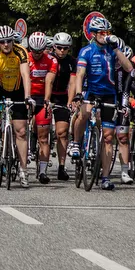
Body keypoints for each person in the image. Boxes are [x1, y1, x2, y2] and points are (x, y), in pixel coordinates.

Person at [71, 16, 132, 190]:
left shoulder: (112, 50)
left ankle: (105, 177)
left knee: (107, 137)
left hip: (109, 95)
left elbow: (129, 68)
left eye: (107, 32)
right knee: (84, 112)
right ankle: (76, 142)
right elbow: (80, 74)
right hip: (91, 91)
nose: (105, 35)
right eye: (102, 33)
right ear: (93, 34)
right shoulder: (86, 51)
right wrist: (77, 94)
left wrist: (116, 48)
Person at [0, 25, 32, 188]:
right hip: (0, 88)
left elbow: (25, 75)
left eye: (9, 41)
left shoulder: (21, 51)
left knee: (22, 131)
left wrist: (27, 97)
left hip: (17, 90)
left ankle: (24, 171)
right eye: (2, 41)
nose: (6, 44)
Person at [24, 31, 58, 184]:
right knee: (21, 131)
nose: (37, 54)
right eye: (34, 51)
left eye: (40, 51)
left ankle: (43, 171)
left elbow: (49, 81)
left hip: (41, 96)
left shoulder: (51, 60)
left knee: (43, 137)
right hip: (27, 95)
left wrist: (47, 100)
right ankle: (20, 166)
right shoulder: (24, 58)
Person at [50, 32, 75, 181]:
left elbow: (72, 83)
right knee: (39, 128)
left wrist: (70, 101)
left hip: (62, 97)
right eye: (59, 48)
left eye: (65, 48)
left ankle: (61, 166)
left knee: (62, 133)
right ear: (54, 47)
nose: (62, 51)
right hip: (47, 95)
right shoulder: (48, 59)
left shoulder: (72, 62)